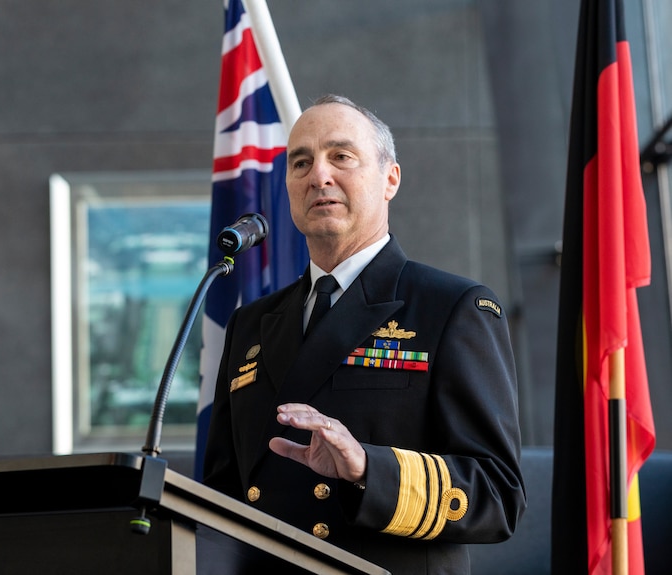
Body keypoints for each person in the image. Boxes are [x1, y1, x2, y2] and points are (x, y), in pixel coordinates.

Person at [202, 94, 526, 574]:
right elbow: (222, 493)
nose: (319, 176)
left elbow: (497, 494)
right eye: (301, 162)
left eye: (341, 156)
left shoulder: (453, 308)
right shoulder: (250, 323)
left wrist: (367, 469)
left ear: (390, 178)